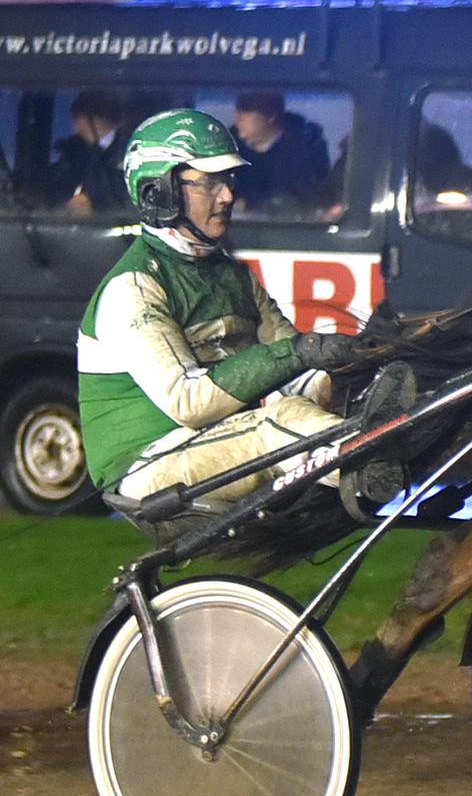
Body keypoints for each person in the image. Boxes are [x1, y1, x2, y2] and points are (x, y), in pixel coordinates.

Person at [76, 108, 384, 510]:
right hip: (146, 467)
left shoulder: (233, 275)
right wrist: (299, 351)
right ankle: (377, 464)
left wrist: (352, 371)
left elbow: (294, 378)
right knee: (279, 423)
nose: (228, 195)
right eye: (209, 182)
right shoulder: (132, 288)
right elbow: (189, 402)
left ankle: (428, 447)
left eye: (229, 178)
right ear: (157, 193)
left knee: (337, 398)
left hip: (215, 439)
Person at [230, 89, 331, 216]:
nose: (237, 121)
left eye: (245, 115)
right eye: (237, 115)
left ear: (271, 116)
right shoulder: (227, 145)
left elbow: (308, 198)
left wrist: (251, 204)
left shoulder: (306, 146)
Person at [49, 88, 126, 214]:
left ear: (95, 118)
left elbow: (130, 202)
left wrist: (93, 207)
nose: (74, 128)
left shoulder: (130, 152)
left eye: (77, 118)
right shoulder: (77, 151)